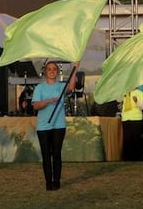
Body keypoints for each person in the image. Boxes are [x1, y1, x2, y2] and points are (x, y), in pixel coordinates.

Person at [31, 61, 79, 190]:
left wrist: (75, 69)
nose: (52, 71)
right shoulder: (40, 88)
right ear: (45, 72)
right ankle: (48, 182)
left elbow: (71, 87)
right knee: (46, 155)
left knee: (56, 154)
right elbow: (36, 105)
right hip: (43, 126)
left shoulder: (61, 86)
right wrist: (47, 101)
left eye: (54, 69)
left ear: (57, 72)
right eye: (49, 69)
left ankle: (56, 182)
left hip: (58, 125)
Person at [121, 85, 143, 161]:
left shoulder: (139, 93)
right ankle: (128, 157)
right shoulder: (125, 92)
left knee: (136, 138)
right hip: (126, 118)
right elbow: (118, 100)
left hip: (136, 118)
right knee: (127, 139)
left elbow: (142, 107)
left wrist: (137, 101)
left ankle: (137, 157)